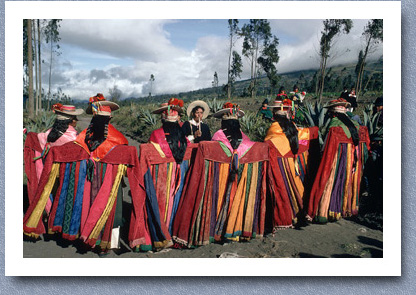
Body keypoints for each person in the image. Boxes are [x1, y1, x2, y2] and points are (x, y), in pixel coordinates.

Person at [24, 94, 141, 256]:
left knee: (87, 204)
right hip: (110, 183)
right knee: (112, 209)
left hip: (87, 180)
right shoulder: (119, 139)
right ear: (111, 118)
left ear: (93, 116)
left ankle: (85, 236)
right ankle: (109, 243)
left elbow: (63, 152)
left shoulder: (82, 138)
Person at [172, 102, 269, 247]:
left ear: (223, 122)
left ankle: (218, 230)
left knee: (220, 199)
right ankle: (237, 227)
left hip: (222, 177)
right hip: (240, 177)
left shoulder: (218, 135)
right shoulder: (245, 138)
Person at [133, 98, 197, 251]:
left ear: (162, 117)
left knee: (161, 203)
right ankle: (174, 233)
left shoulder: (155, 135)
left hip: (161, 178)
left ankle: (160, 234)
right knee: (176, 201)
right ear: (178, 119)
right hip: (180, 174)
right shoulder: (183, 136)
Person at [307, 98, 370, 223]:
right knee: (348, 182)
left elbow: (328, 146)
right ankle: (347, 209)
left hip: (338, 159)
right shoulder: (356, 125)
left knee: (332, 181)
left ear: (332, 113)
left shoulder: (334, 125)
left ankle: (325, 212)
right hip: (353, 160)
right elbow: (365, 145)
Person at [265, 98, 319, 229]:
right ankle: (299, 212)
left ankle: (288, 215)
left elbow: (270, 142)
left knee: (284, 188)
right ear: (288, 113)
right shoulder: (292, 127)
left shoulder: (274, 128)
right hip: (294, 162)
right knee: (297, 187)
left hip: (280, 163)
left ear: (274, 115)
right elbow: (304, 136)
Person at [24, 104, 83, 209]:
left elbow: (38, 139)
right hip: (68, 173)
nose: (77, 120)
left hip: (51, 170)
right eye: (75, 118)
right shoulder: (73, 137)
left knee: (54, 193)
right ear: (69, 121)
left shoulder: (50, 133)